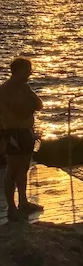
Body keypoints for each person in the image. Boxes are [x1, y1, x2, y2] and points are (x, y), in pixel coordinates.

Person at [0, 57, 44, 221]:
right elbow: (18, 111)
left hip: (25, 132)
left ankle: (23, 202)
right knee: (12, 169)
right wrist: (29, 107)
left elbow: (39, 104)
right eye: (28, 70)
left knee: (24, 168)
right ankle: (12, 208)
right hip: (13, 133)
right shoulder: (6, 89)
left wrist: (29, 105)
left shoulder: (24, 88)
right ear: (18, 71)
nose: (30, 73)